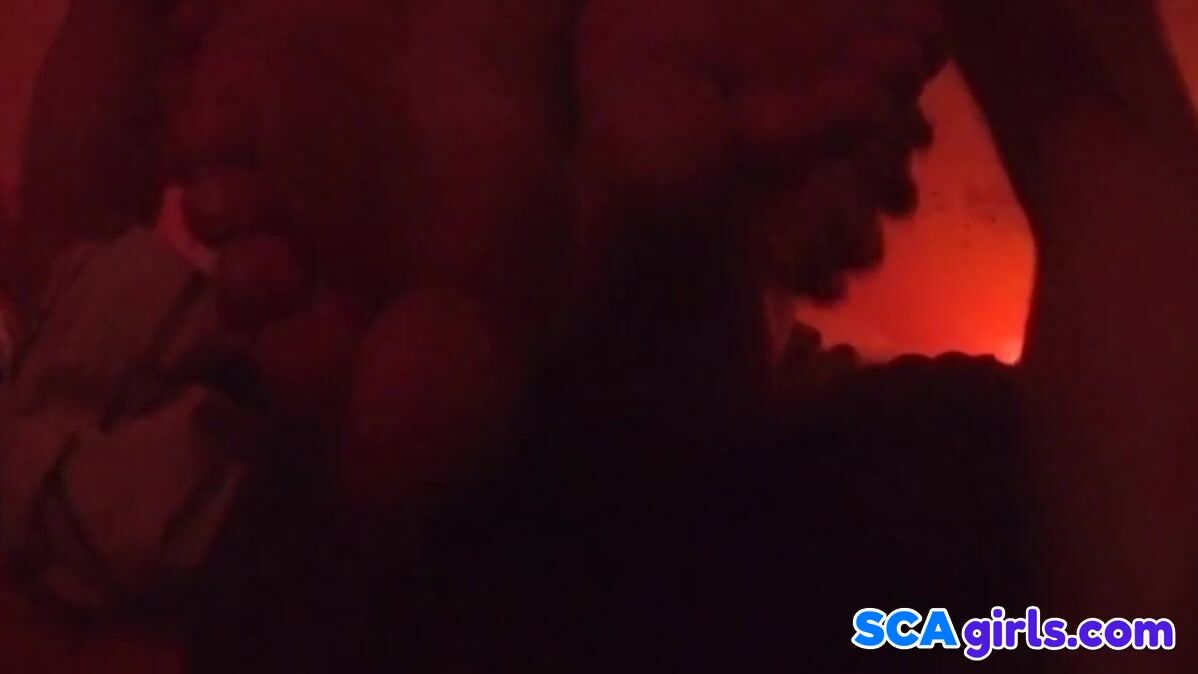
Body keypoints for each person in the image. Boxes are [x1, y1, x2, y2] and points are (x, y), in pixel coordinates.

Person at [1, 1, 1196, 673]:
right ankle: (660, 285)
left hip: (355, 578)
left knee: (89, 324)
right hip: (876, 598)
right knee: (1111, 562)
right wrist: (1075, 108)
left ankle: (639, 288)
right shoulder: (982, 478)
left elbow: (66, 234)